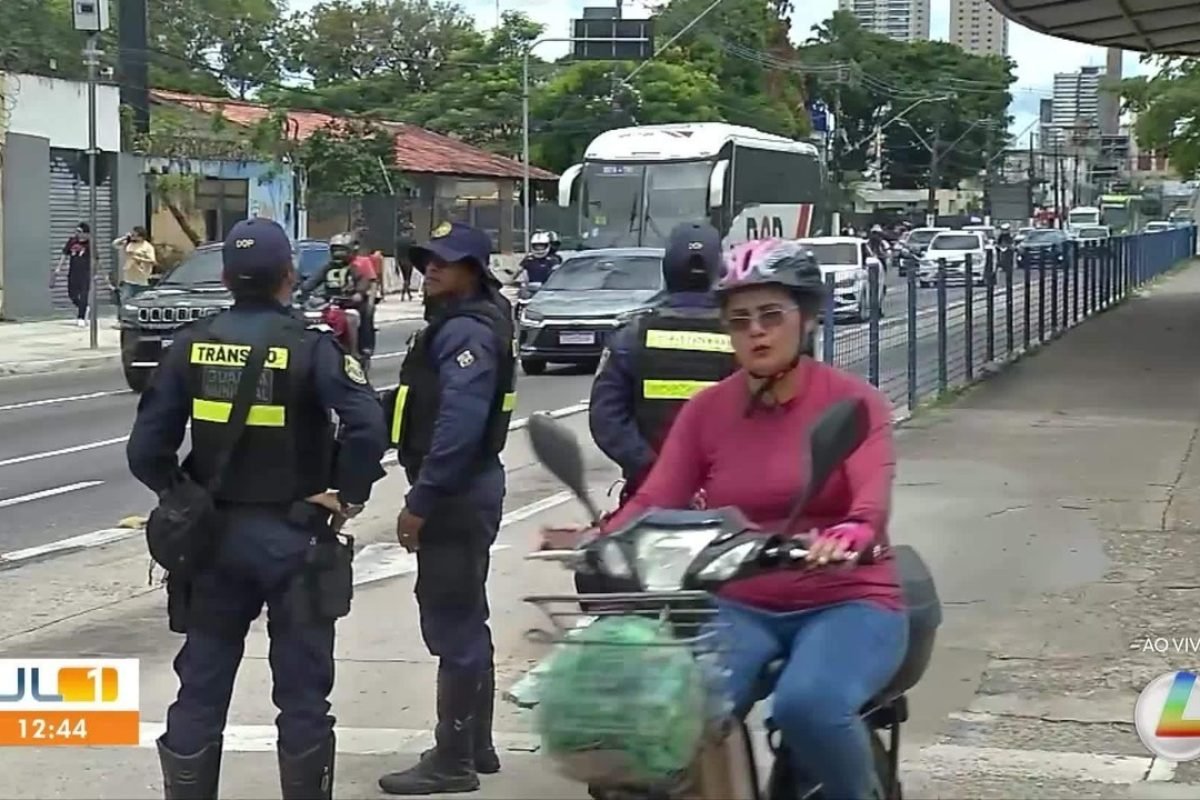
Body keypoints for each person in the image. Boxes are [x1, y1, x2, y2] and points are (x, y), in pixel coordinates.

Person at [553, 238, 907, 800]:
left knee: (808, 703)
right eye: (740, 321)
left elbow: (870, 498)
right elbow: (657, 497)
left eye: (771, 316)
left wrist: (852, 530)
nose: (756, 332)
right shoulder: (708, 409)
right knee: (677, 710)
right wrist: (603, 534)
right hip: (743, 600)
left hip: (848, 598)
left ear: (808, 318)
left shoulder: (853, 403)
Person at [127, 217, 388, 800]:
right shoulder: (311, 345)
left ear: (225, 278)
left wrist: (182, 497)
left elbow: (146, 450)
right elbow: (369, 425)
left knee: (201, 684)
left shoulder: (191, 344)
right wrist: (347, 494)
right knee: (301, 692)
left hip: (212, 540)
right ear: (288, 276)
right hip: (294, 536)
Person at [377, 221, 517, 796]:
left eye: (447, 261)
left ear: (474, 272)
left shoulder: (466, 335)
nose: (432, 267)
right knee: (467, 618)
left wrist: (421, 500)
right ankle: (475, 745)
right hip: (467, 489)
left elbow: (458, 427)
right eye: (428, 259)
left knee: (452, 625)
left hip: (456, 495)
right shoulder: (464, 325)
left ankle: (452, 759)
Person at [588, 221, 734, 501]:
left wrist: (653, 470)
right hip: (728, 500)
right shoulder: (744, 335)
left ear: (667, 268)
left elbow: (607, 419)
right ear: (721, 269)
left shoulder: (631, 336)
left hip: (649, 496)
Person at [55, 222, 92, 326]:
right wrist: (59, 267)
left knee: (84, 294)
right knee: (72, 295)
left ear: (86, 233)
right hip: (73, 271)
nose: (77, 233)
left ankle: (81, 317)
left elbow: (96, 259)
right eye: (76, 231)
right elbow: (64, 254)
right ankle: (83, 307)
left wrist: (98, 273)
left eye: (79, 231)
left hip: (85, 273)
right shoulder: (72, 241)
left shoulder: (90, 244)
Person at [113, 226, 157, 303]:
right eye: (132, 235)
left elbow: (152, 261)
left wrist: (139, 259)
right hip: (129, 279)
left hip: (142, 280)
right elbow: (115, 244)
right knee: (125, 300)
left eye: (135, 235)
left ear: (141, 237)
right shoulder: (129, 244)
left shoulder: (147, 247)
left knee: (142, 301)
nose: (133, 237)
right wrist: (125, 237)